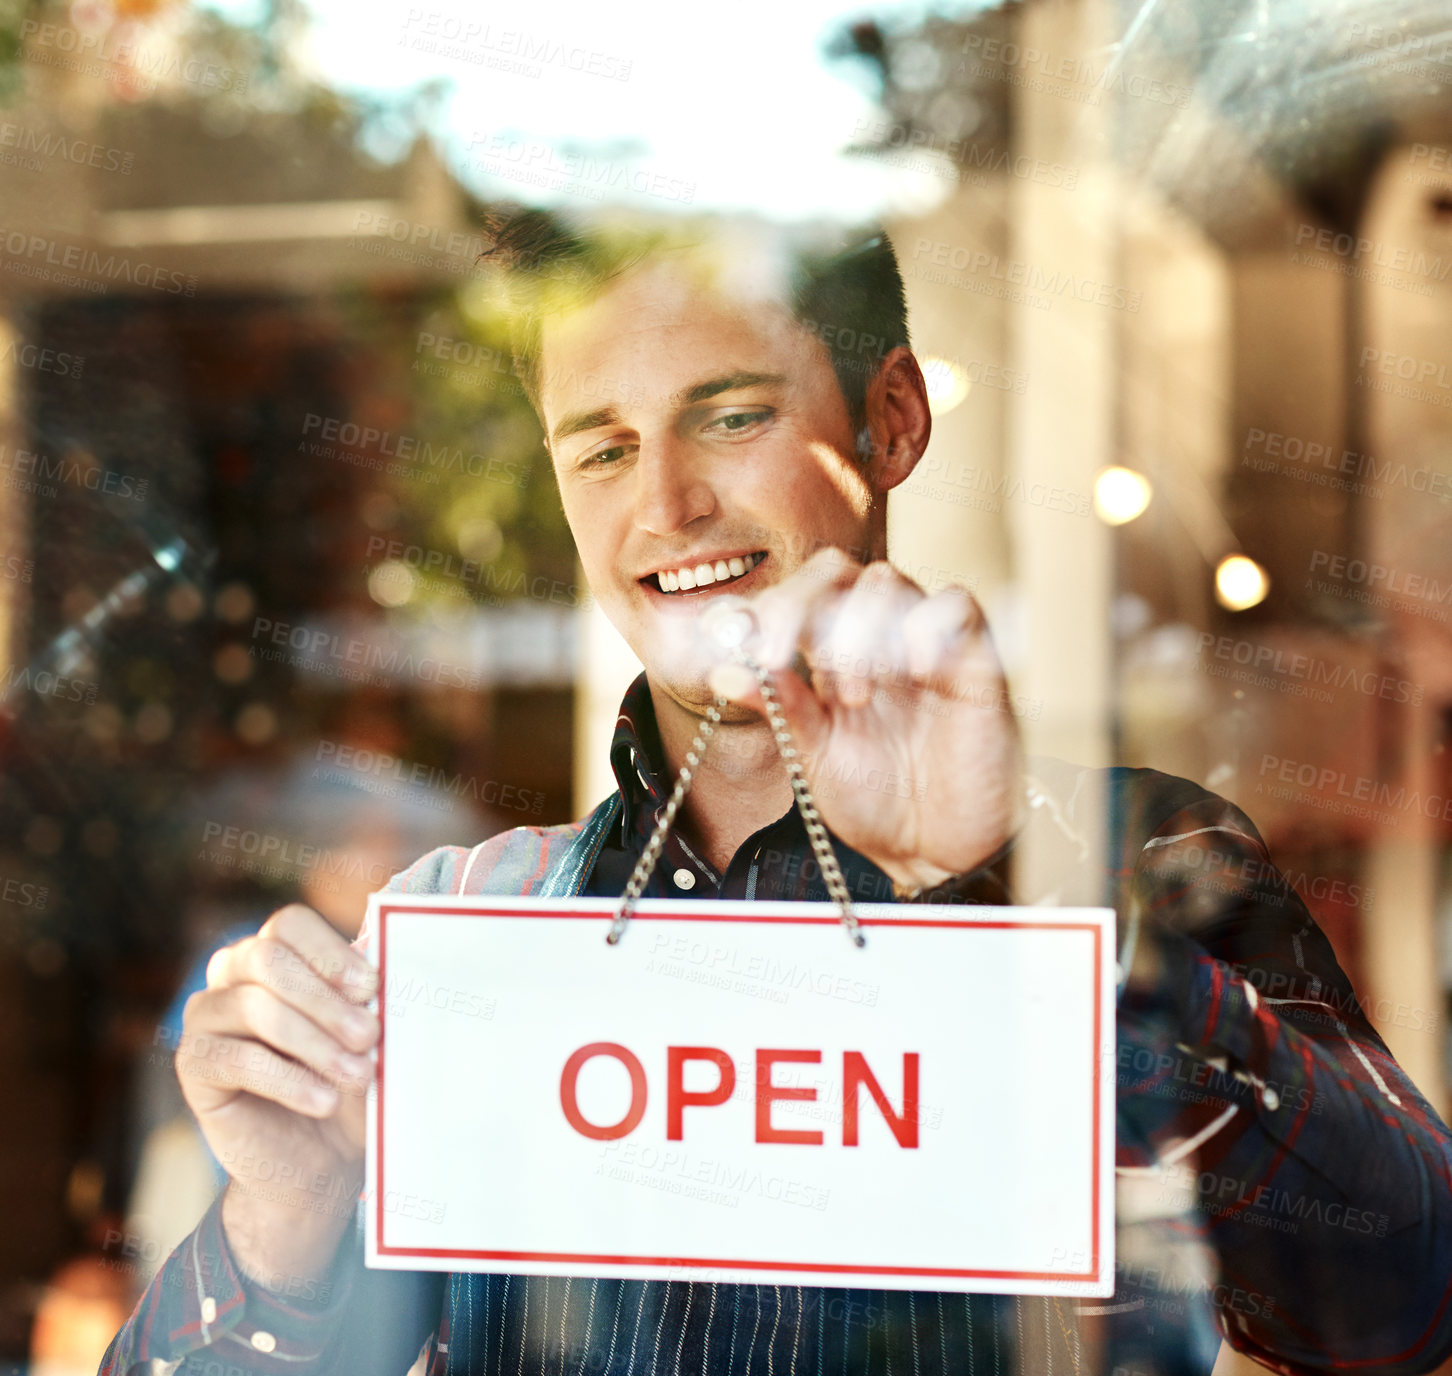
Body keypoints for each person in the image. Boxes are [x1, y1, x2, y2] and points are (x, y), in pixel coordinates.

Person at [100, 214, 1452, 1376]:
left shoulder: (1130, 863)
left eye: (732, 415)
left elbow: (1412, 1295)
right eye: (602, 449)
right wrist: (284, 1230)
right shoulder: (464, 926)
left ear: (894, 420)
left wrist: (1000, 877)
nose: (669, 505)